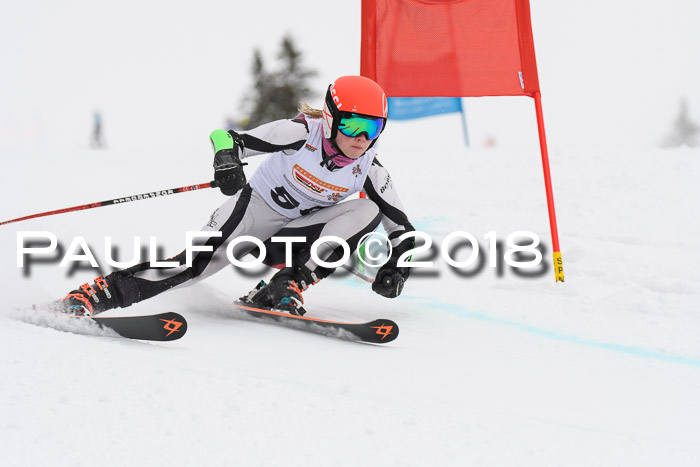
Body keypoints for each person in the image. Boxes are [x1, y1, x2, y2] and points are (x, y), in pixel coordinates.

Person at [56, 76, 415, 317]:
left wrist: (398, 263)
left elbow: (401, 227)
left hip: (294, 238)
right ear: (332, 119)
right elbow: (227, 138)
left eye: (372, 128)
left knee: (366, 209)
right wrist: (227, 163)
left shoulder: (369, 168)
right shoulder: (300, 132)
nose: (361, 138)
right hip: (254, 214)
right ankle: (96, 295)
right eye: (352, 125)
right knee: (193, 266)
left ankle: (285, 284)